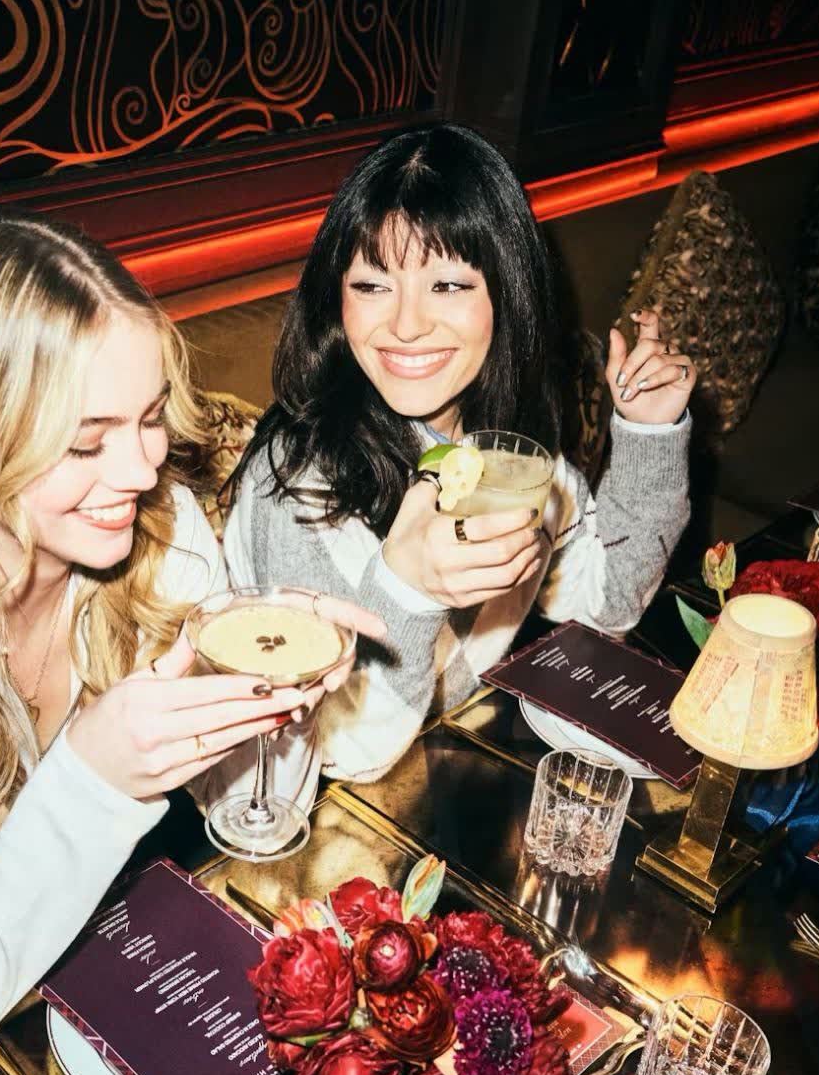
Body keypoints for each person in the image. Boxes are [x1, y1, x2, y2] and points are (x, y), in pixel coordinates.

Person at [0, 210, 379, 1061]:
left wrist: (278, 692)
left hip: (71, 858)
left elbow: (253, 814)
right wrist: (95, 776)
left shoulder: (164, 531)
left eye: (150, 417)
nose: (143, 469)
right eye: (86, 444)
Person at [224, 123, 694, 783]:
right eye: (372, 285)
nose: (406, 324)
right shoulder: (299, 483)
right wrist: (409, 588)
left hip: (452, 764)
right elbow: (338, 751)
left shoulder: (506, 454)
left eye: (447, 285)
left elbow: (608, 604)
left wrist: (648, 435)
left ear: (507, 294)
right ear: (336, 299)